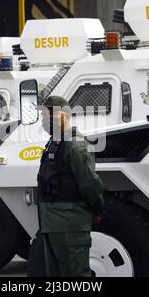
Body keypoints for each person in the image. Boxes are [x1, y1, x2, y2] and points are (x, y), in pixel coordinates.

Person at [37, 95, 105, 277]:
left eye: (51, 115)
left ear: (65, 116)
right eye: (44, 115)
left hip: (70, 223)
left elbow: (90, 182)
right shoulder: (55, 143)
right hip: (53, 224)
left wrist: (97, 209)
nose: (46, 120)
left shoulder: (75, 144)